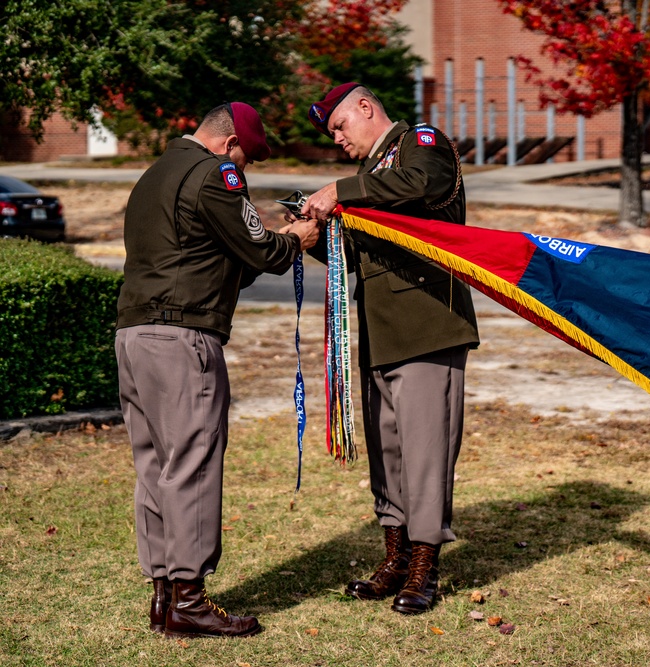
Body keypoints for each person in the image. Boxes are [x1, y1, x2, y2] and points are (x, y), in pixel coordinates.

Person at [115, 102, 320, 638]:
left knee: (156, 464)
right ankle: (190, 598)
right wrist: (296, 238)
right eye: (248, 160)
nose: (245, 171)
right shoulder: (215, 174)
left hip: (135, 335)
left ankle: (163, 595)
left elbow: (213, 261)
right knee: (195, 460)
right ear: (231, 145)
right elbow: (261, 250)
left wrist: (271, 247)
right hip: (182, 338)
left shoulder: (154, 174)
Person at [298, 83, 479, 615]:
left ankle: (424, 568)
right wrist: (314, 241)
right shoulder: (370, 179)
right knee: (390, 452)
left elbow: (422, 184)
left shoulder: (421, 144)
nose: (337, 139)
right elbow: (356, 258)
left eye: (339, 126)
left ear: (366, 107)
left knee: (426, 453)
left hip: (429, 324)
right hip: (380, 332)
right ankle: (395, 558)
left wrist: (341, 190)